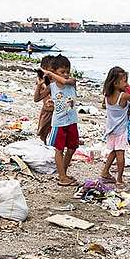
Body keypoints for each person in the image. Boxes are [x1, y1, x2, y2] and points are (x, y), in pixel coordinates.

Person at [98, 66, 130, 186]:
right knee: (120, 155)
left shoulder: (107, 96)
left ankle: (105, 172)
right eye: (124, 81)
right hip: (120, 130)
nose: (127, 84)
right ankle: (119, 179)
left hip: (110, 129)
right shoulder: (124, 96)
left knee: (114, 152)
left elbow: (105, 106)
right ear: (115, 83)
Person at [41, 54, 80, 186]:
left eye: (67, 71)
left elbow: (64, 81)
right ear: (55, 72)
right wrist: (40, 83)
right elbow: (37, 98)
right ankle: (62, 177)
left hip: (72, 121)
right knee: (59, 149)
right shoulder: (52, 87)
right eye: (62, 72)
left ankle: (63, 173)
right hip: (59, 123)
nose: (66, 74)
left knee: (72, 148)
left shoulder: (72, 82)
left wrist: (50, 74)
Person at [34, 54, 56, 143]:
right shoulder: (43, 81)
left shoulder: (55, 82)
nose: (51, 73)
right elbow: (36, 98)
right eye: (49, 71)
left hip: (56, 112)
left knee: (55, 135)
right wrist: (40, 85)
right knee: (42, 134)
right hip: (46, 110)